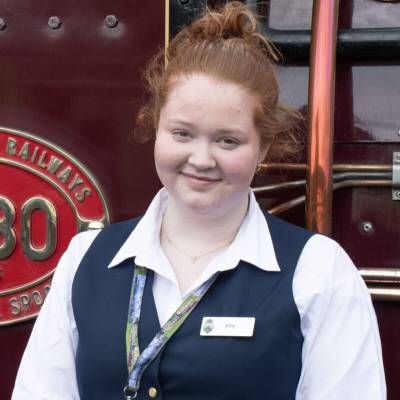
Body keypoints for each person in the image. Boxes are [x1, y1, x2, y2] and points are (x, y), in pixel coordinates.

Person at [13, 2, 386, 399]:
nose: (202, 159)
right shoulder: (84, 259)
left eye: (228, 140)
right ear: (156, 126)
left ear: (263, 148)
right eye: (182, 134)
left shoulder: (319, 273)